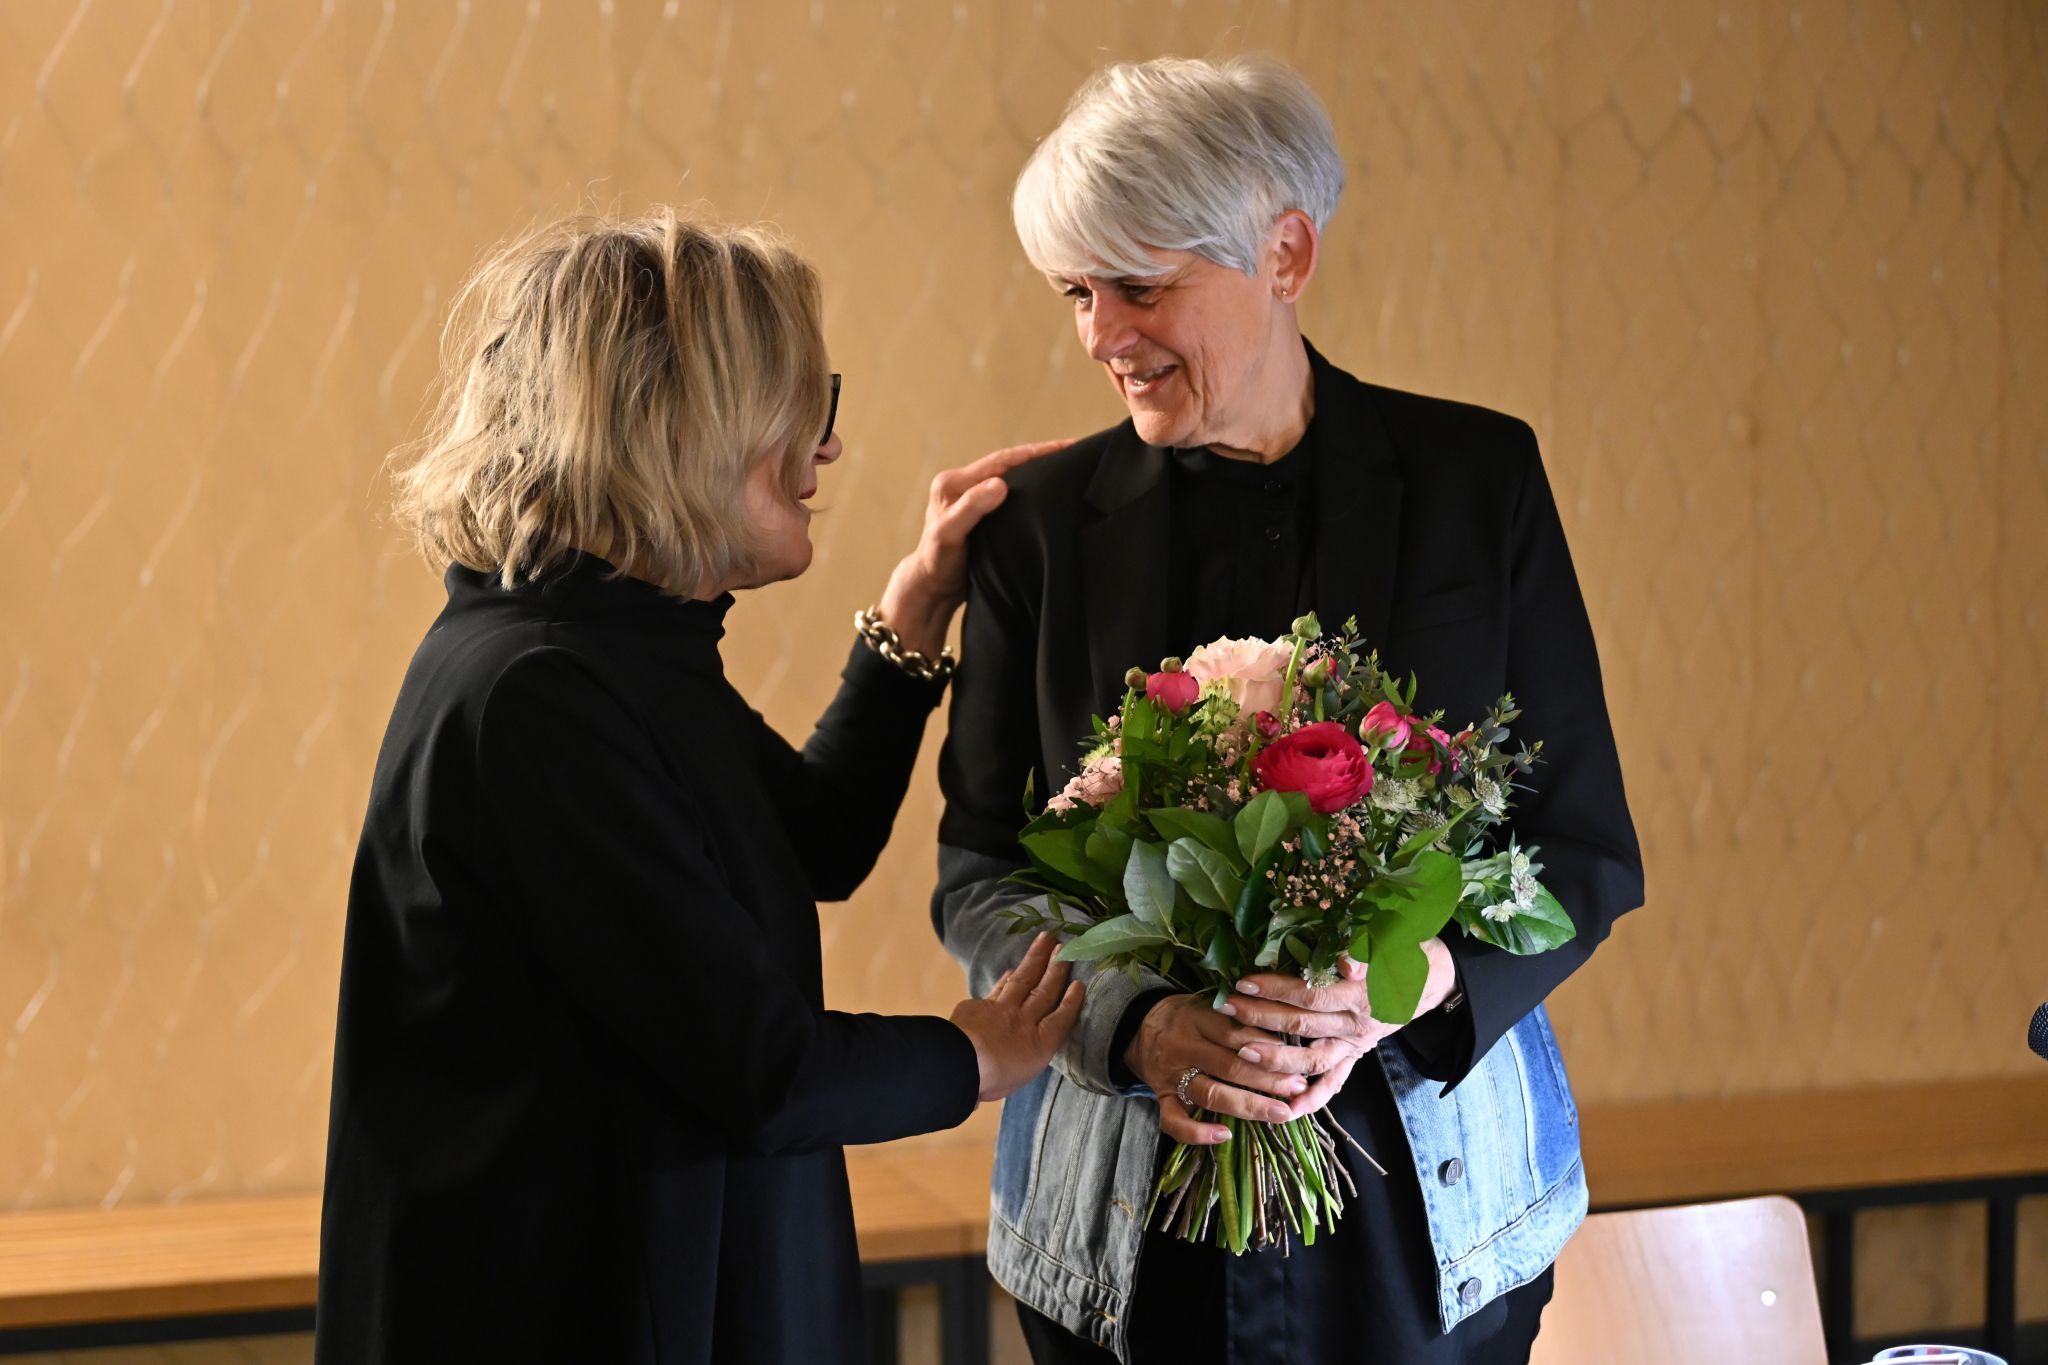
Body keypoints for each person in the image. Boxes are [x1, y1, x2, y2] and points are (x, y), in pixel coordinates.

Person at [933, 56, 1645, 1363]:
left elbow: (1584, 847)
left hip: (1435, 1233)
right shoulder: (1035, 534)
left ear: (1287, 253)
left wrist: (1415, 976)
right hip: (1118, 1241)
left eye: (1139, 286)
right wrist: (1135, 1024)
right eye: (1076, 291)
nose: (1098, 334)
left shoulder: (1476, 484)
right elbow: (980, 873)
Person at [316, 210, 1081, 1364]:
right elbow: (761, 1068)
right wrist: (975, 1054)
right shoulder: (539, 690)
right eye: (803, 402)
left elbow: (808, 842)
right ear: (682, 423)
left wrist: (917, 606)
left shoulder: (609, 643)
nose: (827, 447)